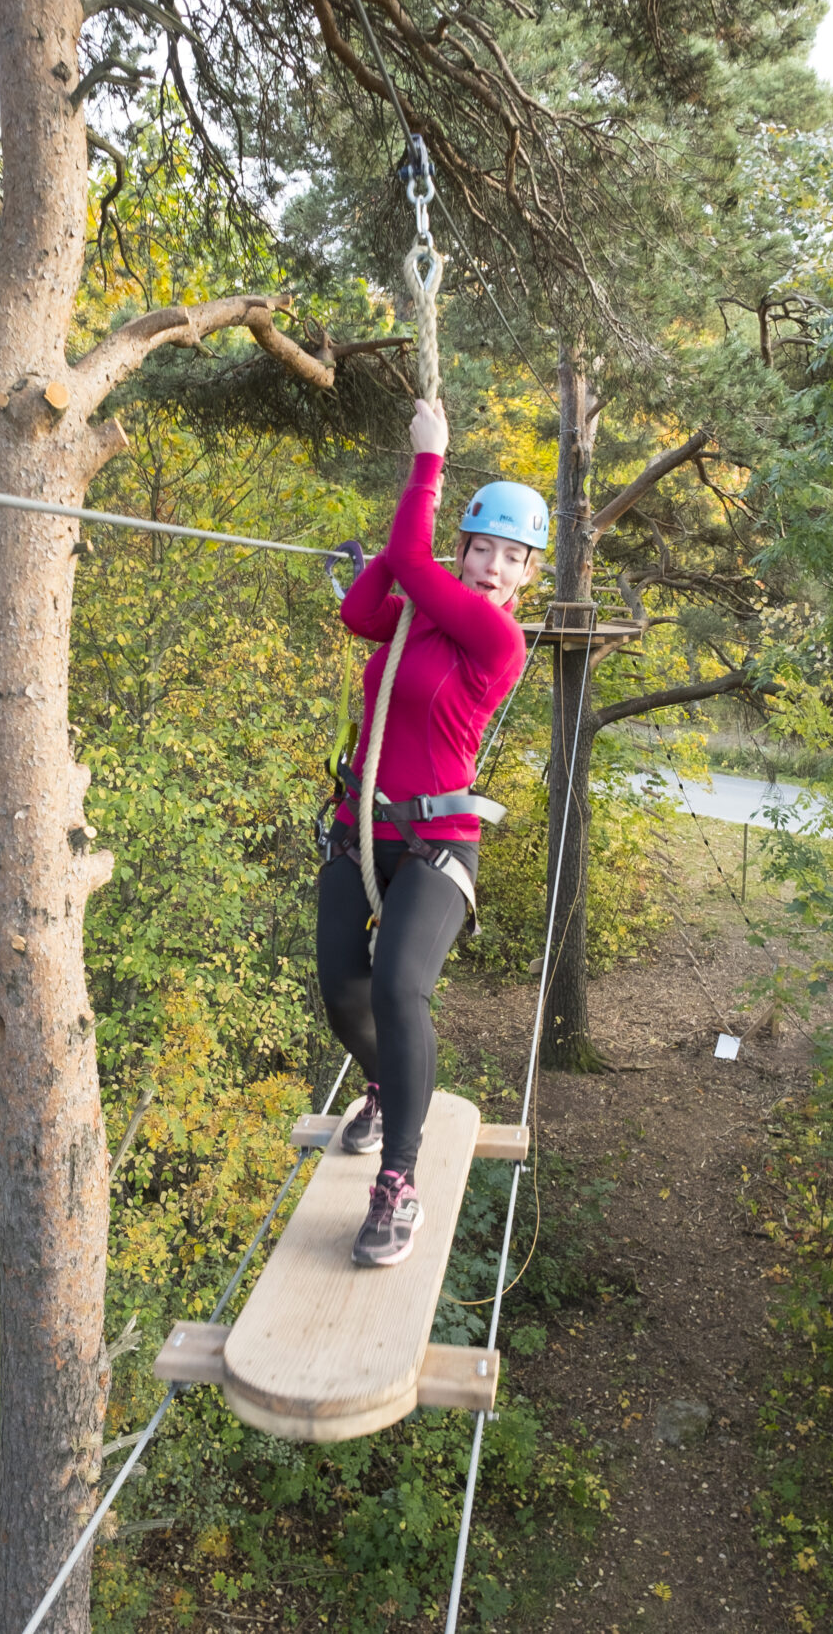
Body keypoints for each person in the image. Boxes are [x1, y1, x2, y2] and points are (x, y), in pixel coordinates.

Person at [320, 396, 548, 1266]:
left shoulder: (495, 638)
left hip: (437, 840)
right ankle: (383, 1090)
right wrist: (389, 554)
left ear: (526, 576)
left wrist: (430, 458)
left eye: (511, 558)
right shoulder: (422, 607)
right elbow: (364, 610)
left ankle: (399, 1182)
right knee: (341, 985)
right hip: (359, 823)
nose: (493, 568)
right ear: (464, 550)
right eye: (481, 548)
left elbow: (412, 563)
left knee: (396, 987)